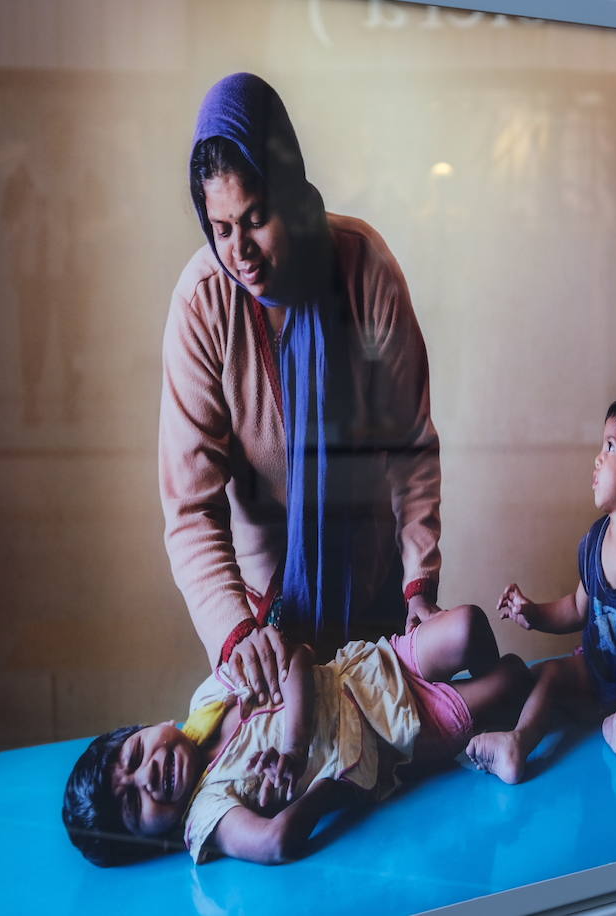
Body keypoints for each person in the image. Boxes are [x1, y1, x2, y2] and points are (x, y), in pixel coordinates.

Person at [160, 73, 446, 699]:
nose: (240, 252)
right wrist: (237, 634)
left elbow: (410, 445)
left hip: (375, 591)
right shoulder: (202, 306)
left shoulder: (364, 267)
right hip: (270, 615)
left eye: (256, 219)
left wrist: (419, 585)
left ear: (287, 192)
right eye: (222, 227)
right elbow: (191, 510)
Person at [63, 605, 530, 866]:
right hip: (394, 736)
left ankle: (492, 719)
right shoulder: (208, 813)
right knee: (513, 680)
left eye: (136, 754)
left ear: (149, 727)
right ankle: (495, 713)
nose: (148, 775)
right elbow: (274, 843)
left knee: (468, 623)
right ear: (147, 838)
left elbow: (296, 658)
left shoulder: (207, 697)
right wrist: (330, 790)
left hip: (367, 671)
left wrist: (294, 744)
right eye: (133, 803)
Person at [464, 395, 616, 784]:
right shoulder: (593, 541)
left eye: (609, 446)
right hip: (595, 672)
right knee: (550, 675)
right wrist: (534, 613)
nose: (597, 458)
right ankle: (517, 744)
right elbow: (577, 609)